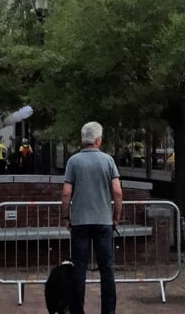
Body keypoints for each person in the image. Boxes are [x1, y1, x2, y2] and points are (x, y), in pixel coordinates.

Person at [60, 121, 121, 314]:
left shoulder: (73, 161)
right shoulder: (108, 161)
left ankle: (77, 310)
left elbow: (66, 193)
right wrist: (116, 217)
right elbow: (118, 192)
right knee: (107, 269)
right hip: (104, 221)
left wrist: (65, 217)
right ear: (98, 140)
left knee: (79, 269)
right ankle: (108, 311)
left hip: (80, 222)